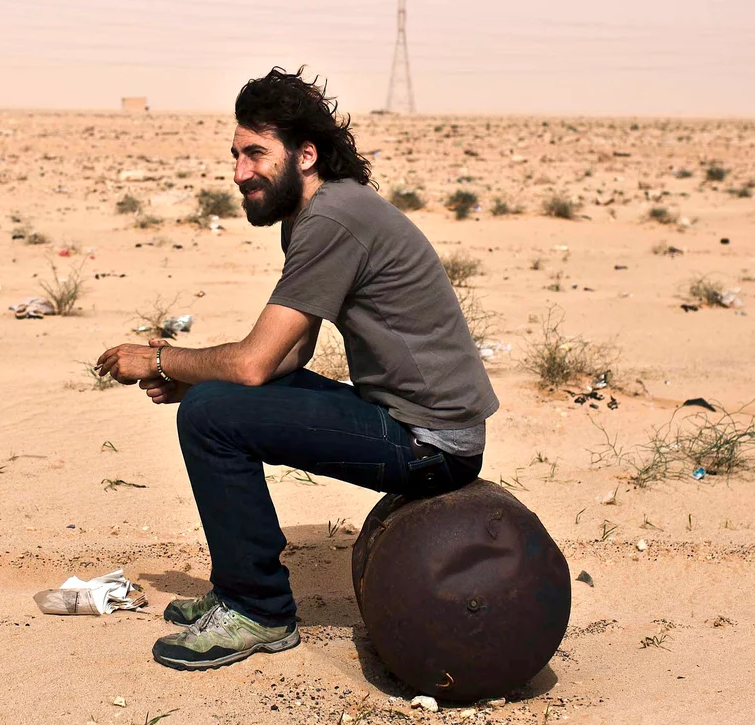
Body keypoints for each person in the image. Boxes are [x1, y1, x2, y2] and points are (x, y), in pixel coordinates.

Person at [95, 67, 497, 670]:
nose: (239, 173)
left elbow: (258, 363)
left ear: (306, 154)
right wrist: (195, 377)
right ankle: (241, 586)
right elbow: (290, 354)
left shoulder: (334, 219)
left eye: (256, 153)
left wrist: (158, 358)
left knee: (211, 417)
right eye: (234, 155)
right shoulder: (318, 213)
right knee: (212, 403)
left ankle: (257, 609)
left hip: (433, 443)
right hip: (410, 421)